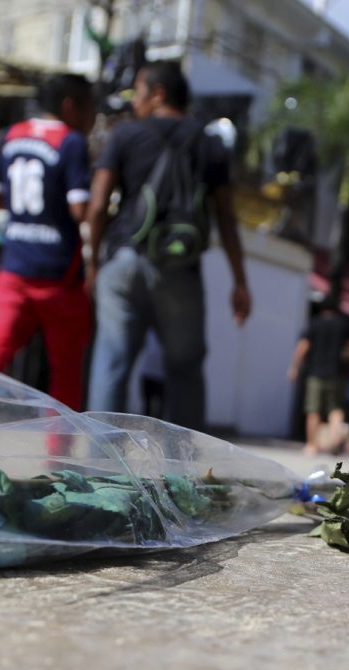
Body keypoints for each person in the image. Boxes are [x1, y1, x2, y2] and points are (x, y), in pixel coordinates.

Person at [84, 61, 250, 431]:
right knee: (186, 369)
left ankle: (100, 468)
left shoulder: (125, 135)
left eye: (138, 92)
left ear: (158, 93)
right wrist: (240, 281)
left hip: (124, 259)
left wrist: (93, 264)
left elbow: (97, 206)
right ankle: (188, 470)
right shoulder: (210, 144)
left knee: (112, 363)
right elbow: (225, 218)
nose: (133, 102)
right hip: (181, 269)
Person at [0, 74, 95, 430]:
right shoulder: (72, 141)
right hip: (59, 273)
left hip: (14, 266)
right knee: (65, 367)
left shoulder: (13, 135)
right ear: (69, 106)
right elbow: (80, 210)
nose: (93, 117)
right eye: (90, 107)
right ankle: (59, 454)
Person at [288, 301, 349, 455]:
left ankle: (312, 445)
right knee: (336, 409)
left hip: (316, 373)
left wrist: (294, 366)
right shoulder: (344, 325)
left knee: (313, 410)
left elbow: (303, 346)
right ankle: (334, 442)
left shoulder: (315, 323)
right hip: (337, 373)